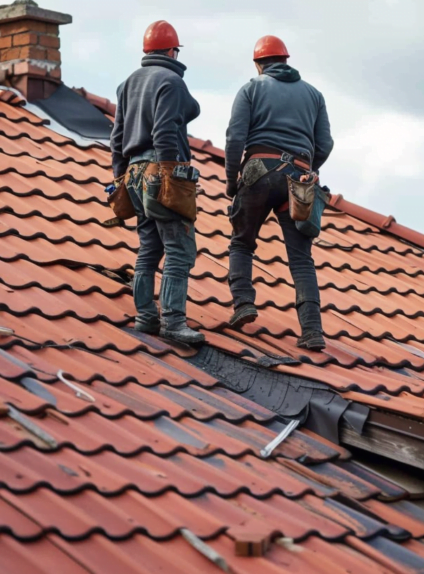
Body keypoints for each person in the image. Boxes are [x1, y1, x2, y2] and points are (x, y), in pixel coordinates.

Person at [224, 35, 334, 351]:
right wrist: (306, 167)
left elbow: (234, 139)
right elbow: (324, 144)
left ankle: (244, 303)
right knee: (301, 259)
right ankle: (312, 331)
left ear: (260, 64)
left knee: (242, 241)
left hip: (259, 172)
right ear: (286, 60)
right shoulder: (314, 95)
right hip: (297, 179)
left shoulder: (251, 89)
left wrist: (233, 181)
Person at [110, 20, 204, 344]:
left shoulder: (127, 84)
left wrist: (119, 178)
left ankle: (145, 317)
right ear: (172, 50)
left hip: (134, 173)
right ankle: (173, 322)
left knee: (149, 246)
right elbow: (164, 132)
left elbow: (117, 137)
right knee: (179, 247)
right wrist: (169, 176)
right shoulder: (171, 82)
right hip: (159, 170)